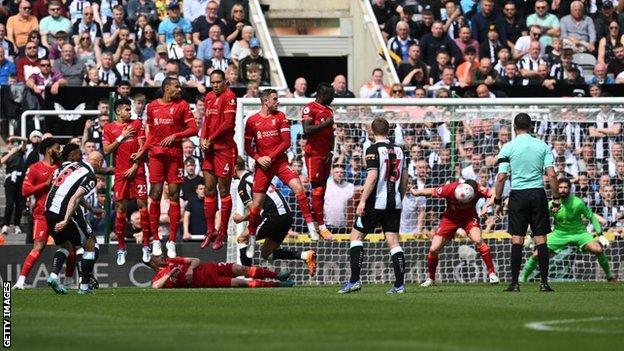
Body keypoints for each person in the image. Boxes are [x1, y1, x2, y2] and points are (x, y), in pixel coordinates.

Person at [243, 89, 320, 252]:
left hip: (279, 163)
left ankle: (311, 226)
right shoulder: (252, 121)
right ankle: (251, 238)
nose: (278, 102)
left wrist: (269, 157)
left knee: (299, 188)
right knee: (256, 205)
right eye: (275, 99)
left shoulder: (281, 117)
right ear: (265, 101)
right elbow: (247, 146)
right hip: (262, 166)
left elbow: (286, 143)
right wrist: (258, 158)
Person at [338, 117, 408, 294]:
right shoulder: (400, 150)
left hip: (375, 202)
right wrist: (400, 197)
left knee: (355, 237)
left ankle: (354, 281)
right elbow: (405, 179)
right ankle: (399, 285)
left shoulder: (372, 149)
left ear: (372, 131)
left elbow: (372, 177)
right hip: (395, 202)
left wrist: (362, 201)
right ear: (388, 130)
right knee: (393, 242)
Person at [494, 113, 559, 292]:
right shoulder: (542, 145)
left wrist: (497, 200)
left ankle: (515, 283)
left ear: (515, 127)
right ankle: (544, 283)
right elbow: (552, 174)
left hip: (518, 196)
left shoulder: (508, 147)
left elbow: (501, 177)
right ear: (531, 127)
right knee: (541, 240)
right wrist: (556, 199)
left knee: (517, 240)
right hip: (537, 194)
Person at [136, 77, 198, 259]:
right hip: (155, 155)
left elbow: (193, 129)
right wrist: (142, 151)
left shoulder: (183, 105)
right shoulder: (152, 106)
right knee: (154, 194)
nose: (180, 89)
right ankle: (156, 239)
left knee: (173, 195)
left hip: (175, 156)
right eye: (176, 86)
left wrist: (176, 136)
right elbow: (150, 134)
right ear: (166, 88)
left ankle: (171, 240)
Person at [232, 157, 317, 275]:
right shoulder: (257, 175)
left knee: (242, 239)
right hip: (287, 216)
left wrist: (240, 219)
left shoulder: (243, 184)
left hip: (273, 216)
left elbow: (254, 210)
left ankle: (248, 276)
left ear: (235, 167)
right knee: (266, 253)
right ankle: (305, 255)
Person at [520, 178, 616, 283]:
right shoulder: (551, 204)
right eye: (560, 187)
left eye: (565, 187)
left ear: (569, 189)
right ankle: (523, 279)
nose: (563, 190)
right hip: (559, 234)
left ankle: (610, 276)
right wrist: (531, 235)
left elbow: (591, 217)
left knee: (597, 249)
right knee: (537, 254)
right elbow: (540, 220)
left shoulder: (578, 202)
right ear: (556, 189)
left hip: (579, 233)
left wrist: (600, 234)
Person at [411, 179, 500, 287]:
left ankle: (492, 274)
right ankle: (431, 278)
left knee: (478, 240)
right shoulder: (450, 189)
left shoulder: (478, 188)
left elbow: (494, 193)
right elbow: (432, 190)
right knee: (433, 249)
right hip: (450, 219)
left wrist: (486, 205)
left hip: (469, 219)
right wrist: (416, 192)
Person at [45, 151, 104, 295]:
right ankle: (84, 287)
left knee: (66, 245)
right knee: (90, 245)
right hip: (63, 212)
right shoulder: (90, 177)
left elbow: (71, 192)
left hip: (48, 209)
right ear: (100, 162)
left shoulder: (73, 165)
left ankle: (53, 276)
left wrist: (91, 208)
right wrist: (66, 220)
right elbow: (75, 198)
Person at [103, 98, 153, 265]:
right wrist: (121, 137)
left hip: (137, 171)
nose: (129, 112)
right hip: (120, 174)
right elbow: (106, 150)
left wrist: (135, 166)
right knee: (120, 209)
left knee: (143, 206)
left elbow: (142, 148)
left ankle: (146, 245)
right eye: (126, 109)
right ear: (118, 111)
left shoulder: (137, 124)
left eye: (129, 109)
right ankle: (121, 247)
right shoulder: (109, 128)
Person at [12, 138, 61, 289]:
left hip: (60, 213)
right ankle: (20, 281)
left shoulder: (62, 167)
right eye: (57, 148)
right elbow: (25, 191)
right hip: (42, 214)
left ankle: (69, 280)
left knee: (72, 246)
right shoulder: (35, 168)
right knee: (38, 246)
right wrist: (44, 184)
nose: (60, 151)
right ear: (48, 150)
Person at [200, 70, 238, 250]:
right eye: (212, 82)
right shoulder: (208, 97)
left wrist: (211, 139)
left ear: (225, 82)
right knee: (208, 189)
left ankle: (222, 231)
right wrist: (202, 139)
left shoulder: (230, 97)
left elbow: (228, 124)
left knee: (223, 190)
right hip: (209, 148)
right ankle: (210, 230)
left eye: (218, 82)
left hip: (224, 149)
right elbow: (206, 120)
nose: (215, 85)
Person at [301, 83, 336, 240]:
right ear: (323, 94)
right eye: (331, 95)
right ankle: (320, 225)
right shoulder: (310, 108)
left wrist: (331, 151)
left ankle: (318, 224)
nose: (333, 98)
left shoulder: (329, 110)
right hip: (313, 154)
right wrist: (325, 124)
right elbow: (307, 130)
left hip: (326, 154)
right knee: (318, 189)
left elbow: (331, 134)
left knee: (323, 189)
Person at [148, 255, 294, 289]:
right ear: (151, 262)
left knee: (240, 268)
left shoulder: (171, 259)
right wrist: (169, 274)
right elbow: (155, 287)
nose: (161, 255)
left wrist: (191, 269)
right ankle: (278, 284)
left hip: (210, 268)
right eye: (156, 256)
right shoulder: (159, 277)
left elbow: (195, 259)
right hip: (207, 281)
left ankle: (277, 275)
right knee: (240, 282)